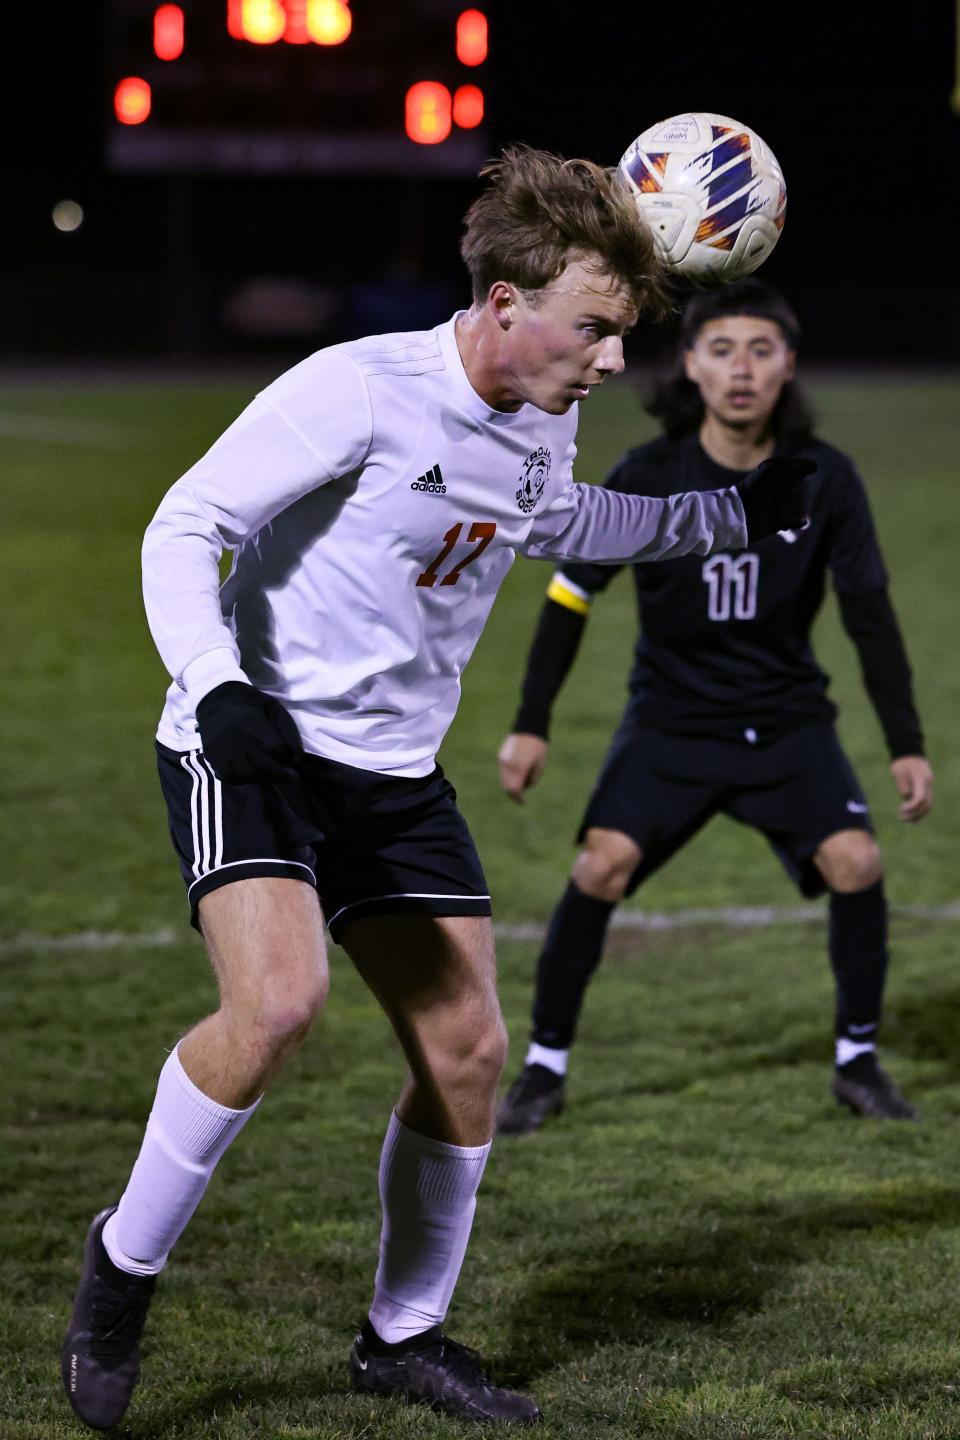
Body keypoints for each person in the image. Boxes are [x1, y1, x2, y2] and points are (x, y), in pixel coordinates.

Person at [60, 151, 810, 1432]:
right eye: (596, 330)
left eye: (623, 334)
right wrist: (219, 683)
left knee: (466, 1053)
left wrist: (698, 522)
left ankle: (401, 1340)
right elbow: (185, 525)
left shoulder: (547, 400)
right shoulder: (359, 390)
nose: (612, 361)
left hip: (395, 772)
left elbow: (545, 515)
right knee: (277, 1005)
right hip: (256, 746)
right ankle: (120, 1272)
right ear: (506, 302)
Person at [496, 279, 933, 1139]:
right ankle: (542, 1071)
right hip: (672, 723)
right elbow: (570, 595)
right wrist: (532, 721)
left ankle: (857, 1063)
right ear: (689, 365)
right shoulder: (652, 474)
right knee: (600, 868)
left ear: (790, 368)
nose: (742, 370)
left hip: (786, 723)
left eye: (762, 351)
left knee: (857, 861)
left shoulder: (825, 480)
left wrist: (907, 745)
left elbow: (870, 617)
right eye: (722, 349)